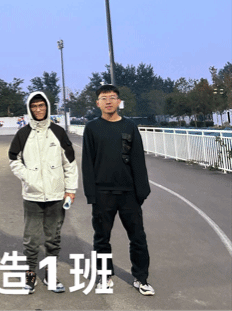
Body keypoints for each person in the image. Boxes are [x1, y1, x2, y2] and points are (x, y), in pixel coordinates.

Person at [82, 84, 154, 296]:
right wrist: (91, 194)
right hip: (102, 193)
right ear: (98, 103)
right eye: (104, 98)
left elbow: (138, 160)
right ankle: (105, 276)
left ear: (119, 102)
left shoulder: (130, 126)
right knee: (102, 238)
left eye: (112, 97)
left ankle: (141, 278)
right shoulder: (92, 128)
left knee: (138, 238)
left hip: (129, 193)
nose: (108, 101)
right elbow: (87, 163)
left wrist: (141, 192)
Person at [8, 92, 78, 294]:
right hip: (32, 196)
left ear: (47, 107)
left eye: (41, 105)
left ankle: (50, 273)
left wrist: (70, 189)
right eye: (34, 106)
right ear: (29, 109)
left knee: (53, 238)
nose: (38, 109)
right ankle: (30, 272)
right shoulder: (23, 134)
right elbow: (13, 159)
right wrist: (28, 177)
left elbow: (70, 163)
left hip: (56, 196)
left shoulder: (58, 132)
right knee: (31, 238)